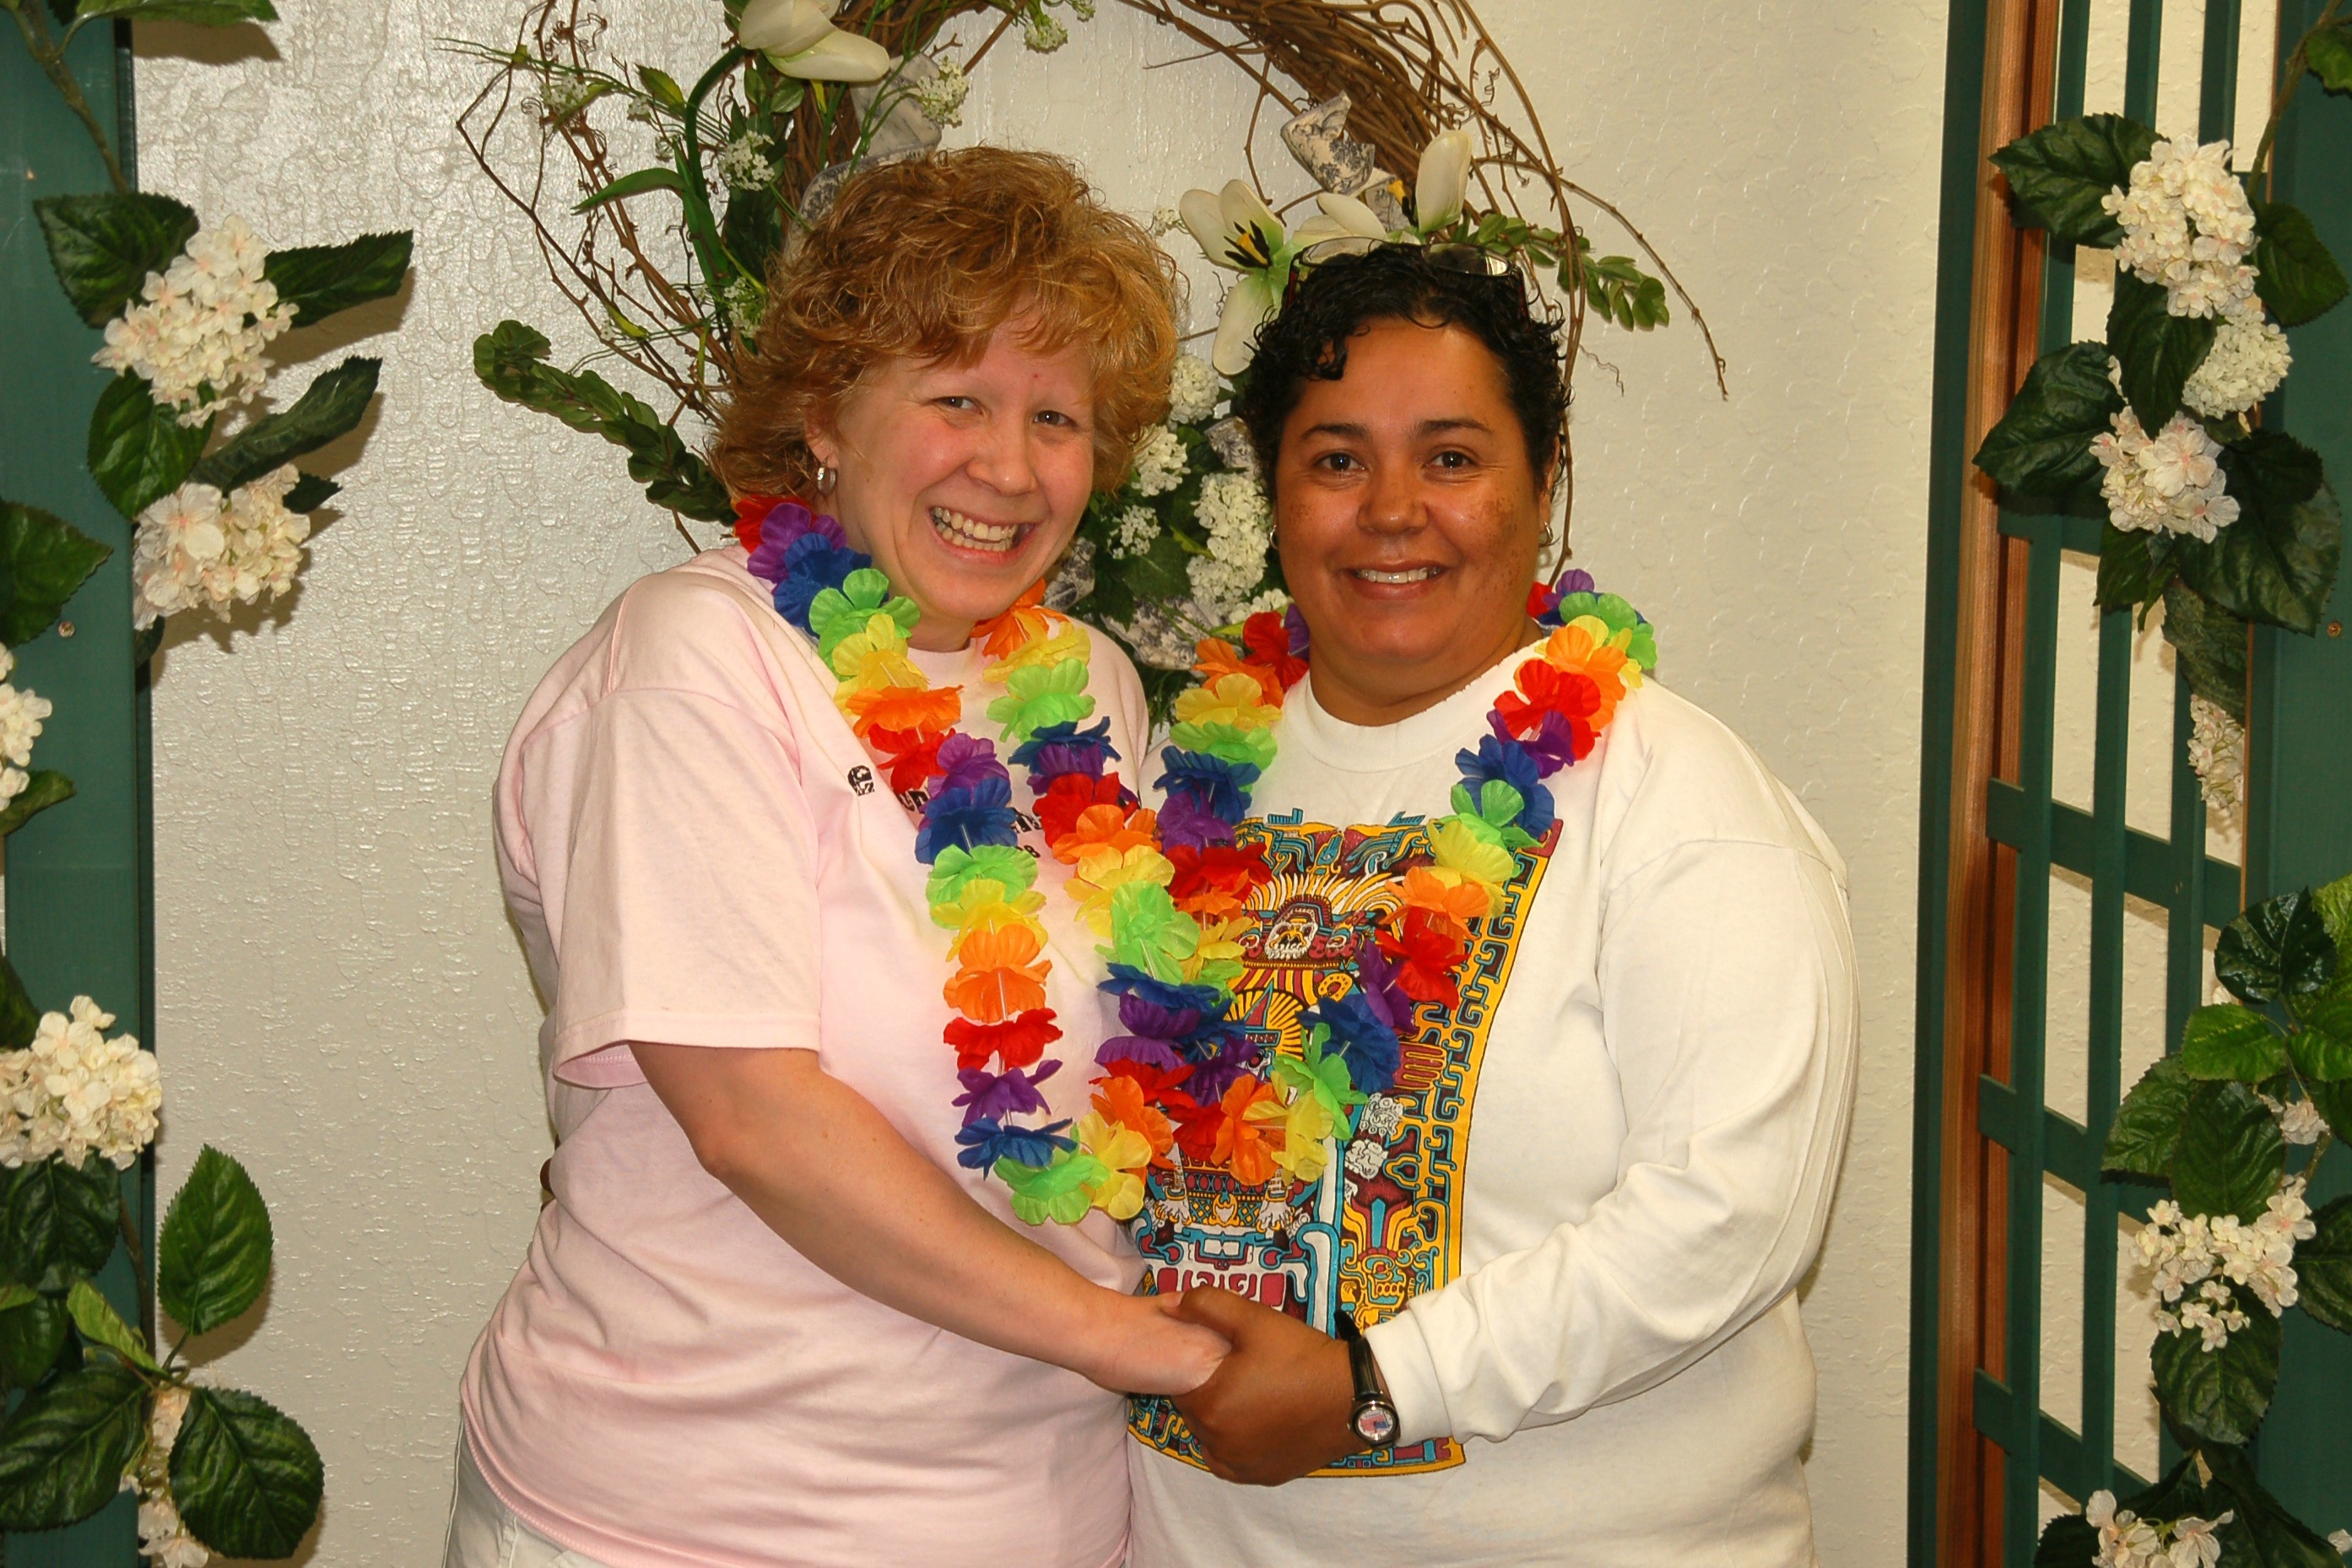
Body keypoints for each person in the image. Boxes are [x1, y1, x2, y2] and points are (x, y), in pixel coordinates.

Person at [446, 147, 1225, 1568]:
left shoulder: (1086, 682)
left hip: (1034, 1515)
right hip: (689, 1520)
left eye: (1057, 417)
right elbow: (756, 1120)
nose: (1009, 466)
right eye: (957, 399)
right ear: (823, 413)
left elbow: (1118, 1089)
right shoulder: (695, 659)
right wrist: (1146, 1344)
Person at [1122, 244, 1860, 1565]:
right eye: (1337, 459)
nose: (1393, 510)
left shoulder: (1674, 792)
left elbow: (1730, 1216)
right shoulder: (1187, 782)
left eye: (1452, 457)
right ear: (1276, 490)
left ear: (1544, 476)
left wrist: (1375, 1382)